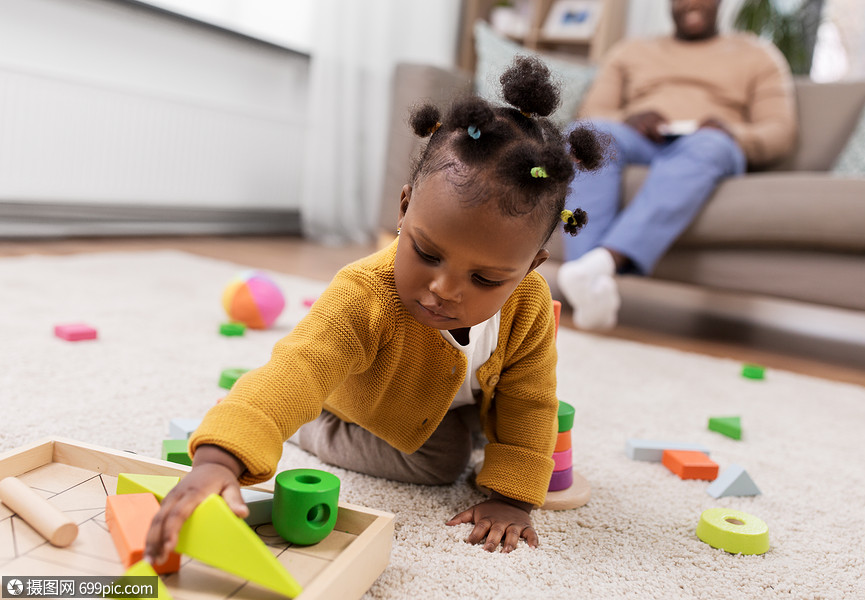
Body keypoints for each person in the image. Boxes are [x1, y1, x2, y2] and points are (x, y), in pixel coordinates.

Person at [143, 56, 606, 563]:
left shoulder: (531, 304)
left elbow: (531, 397)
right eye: (427, 253)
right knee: (444, 458)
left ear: (532, 266)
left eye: (486, 279)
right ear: (404, 208)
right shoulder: (365, 294)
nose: (443, 290)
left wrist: (513, 498)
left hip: (459, 399)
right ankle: (312, 426)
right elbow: (296, 369)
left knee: (501, 428)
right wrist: (219, 460)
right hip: (365, 405)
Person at [558, 0, 798, 330]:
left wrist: (731, 132)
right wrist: (629, 119)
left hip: (707, 144)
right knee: (586, 136)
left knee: (710, 145)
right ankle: (589, 285)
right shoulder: (631, 51)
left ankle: (600, 265)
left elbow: (780, 133)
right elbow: (591, 114)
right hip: (641, 140)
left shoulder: (759, 55)